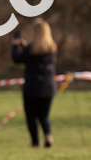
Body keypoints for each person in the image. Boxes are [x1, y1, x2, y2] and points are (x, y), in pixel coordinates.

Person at [12, 18, 58, 148]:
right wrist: (25, 47)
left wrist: (15, 45)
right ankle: (48, 135)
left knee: (31, 117)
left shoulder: (31, 49)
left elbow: (17, 58)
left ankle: (35, 142)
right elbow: (37, 55)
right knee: (44, 116)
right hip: (49, 86)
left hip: (33, 87)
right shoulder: (53, 48)